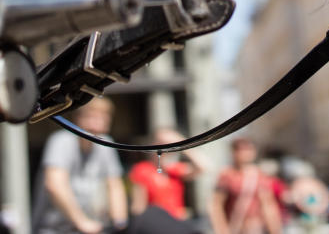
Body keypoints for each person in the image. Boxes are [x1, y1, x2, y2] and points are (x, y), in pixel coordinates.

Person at [34, 98, 129, 234]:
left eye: (103, 116)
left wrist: (119, 222)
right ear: (78, 118)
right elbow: (55, 185)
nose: (97, 122)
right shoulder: (62, 141)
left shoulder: (106, 144)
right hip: (55, 228)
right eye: (92, 116)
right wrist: (81, 222)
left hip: (93, 226)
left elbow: (114, 185)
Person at [127, 127, 207, 228]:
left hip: (177, 223)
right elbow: (138, 207)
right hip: (156, 225)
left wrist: (182, 143)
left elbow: (202, 166)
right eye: (162, 143)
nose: (166, 149)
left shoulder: (173, 169)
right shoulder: (142, 170)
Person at [208, 138, 284, 234]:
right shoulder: (227, 175)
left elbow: (268, 206)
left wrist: (275, 230)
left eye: (248, 149)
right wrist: (221, 230)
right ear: (233, 152)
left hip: (256, 229)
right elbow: (216, 205)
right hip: (235, 228)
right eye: (241, 149)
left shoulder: (260, 175)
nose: (245, 153)